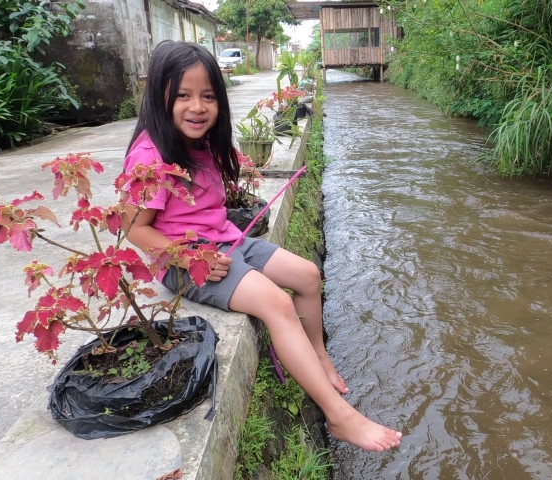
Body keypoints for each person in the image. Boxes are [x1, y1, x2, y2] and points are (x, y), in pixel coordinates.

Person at [121, 40, 403, 452]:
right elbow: (135, 229)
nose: (197, 106)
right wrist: (189, 256)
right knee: (277, 304)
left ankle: (319, 357)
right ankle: (339, 417)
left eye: (208, 96)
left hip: (227, 242)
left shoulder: (199, 143)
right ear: (158, 96)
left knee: (307, 275)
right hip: (188, 262)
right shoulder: (150, 155)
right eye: (182, 95)